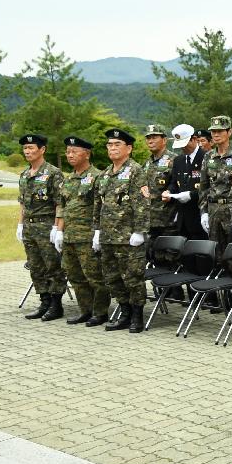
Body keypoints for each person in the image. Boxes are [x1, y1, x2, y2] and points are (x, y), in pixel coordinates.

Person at [94, 128, 150, 333]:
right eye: (109, 145)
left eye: (117, 144)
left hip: (128, 237)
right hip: (108, 236)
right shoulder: (105, 174)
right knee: (112, 278)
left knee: (133, 277)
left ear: (129, 148)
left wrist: (140, 231)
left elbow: (142, 203)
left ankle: (137, 316)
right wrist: (97, 231)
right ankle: (124, 312)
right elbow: (98, 205)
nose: (112, 148)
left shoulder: (135, 171)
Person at [55, 136, 109, 326]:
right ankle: (85, 310)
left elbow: (102, 207)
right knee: (75, 276)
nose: (70, 155)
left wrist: (98, 232)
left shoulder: (98, 177)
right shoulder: (68, 179)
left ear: (86, 154)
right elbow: (62, 206)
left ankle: (100, 312)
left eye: (74, 152)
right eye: (68, 152)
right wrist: (58, 231)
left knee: (94, 276)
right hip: (70, 236)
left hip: (87, 236)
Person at [17, 134, 67, 321]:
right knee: (36, 267)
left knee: (53, 266)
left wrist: (57, 228)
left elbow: (59, 204)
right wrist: (20, 224)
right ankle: (44, 301)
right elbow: (22, 203)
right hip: (30, 228)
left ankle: (56, 304)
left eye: (31, 148)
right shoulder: (24, 174)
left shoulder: (53, 173)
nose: (27, 152)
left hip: (46, 226)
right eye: (25, 149)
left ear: (42, 150)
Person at [199, 116, 232, 259]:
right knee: (215, 253)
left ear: (229, 132)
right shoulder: (208, 157)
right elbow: (204, 186)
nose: (216, 134)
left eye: (220, 131)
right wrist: (203, 212)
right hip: (213, 210)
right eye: (213, 132)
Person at [162, 124, 206, 240]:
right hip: (182, 219)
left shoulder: (206, 158)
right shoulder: (178, 160)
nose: (183, 148)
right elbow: (174, 183)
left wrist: (191, 195)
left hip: (200, 216)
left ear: (194, 139)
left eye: (185, 144)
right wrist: (169, 193)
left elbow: (210, 187)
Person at [142, 124, 177, 262]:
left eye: (154, 137)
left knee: (170, 261)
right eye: (148, 138)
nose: (150, 141)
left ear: (164, 140)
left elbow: (177, 186)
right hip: (150, 221)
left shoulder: (174, 160)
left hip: (168, 221)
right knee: (153, 259)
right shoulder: (147, 163)